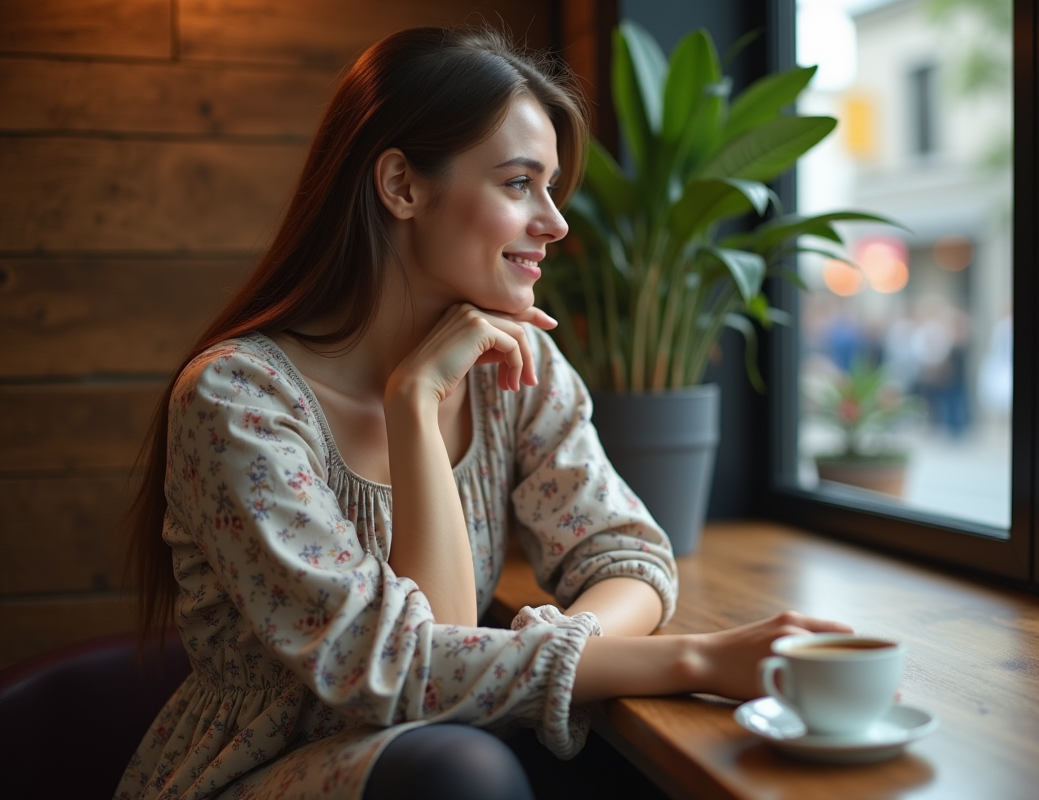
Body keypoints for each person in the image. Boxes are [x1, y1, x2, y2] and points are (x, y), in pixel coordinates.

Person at [116, 26, 852, 800]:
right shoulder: (237, 402)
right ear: (401, 186)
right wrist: (699, 660)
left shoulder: (516, 368)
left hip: (438, 755)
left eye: (550, 185)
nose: (555, 221)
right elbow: (400, 679)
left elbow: (628, 557)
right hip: (260, 774)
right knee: (463, 769)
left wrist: (549, 657)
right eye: (516, 183)